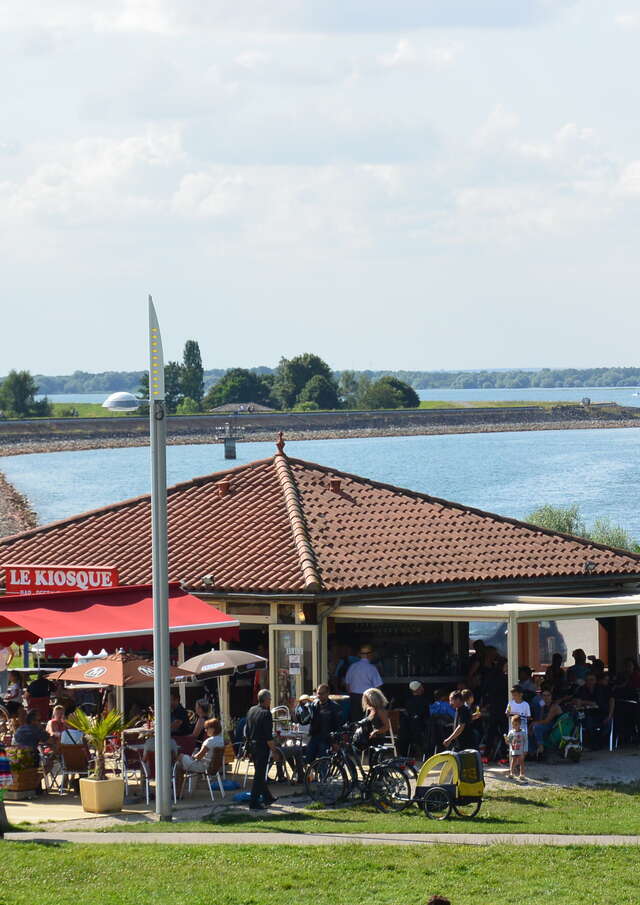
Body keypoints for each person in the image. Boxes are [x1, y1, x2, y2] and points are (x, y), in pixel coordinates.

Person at [246, 688, 281, 811]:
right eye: (270, 699)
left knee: (259, 773)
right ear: (265, 700)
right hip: (261, 747)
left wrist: (247, 748)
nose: (270, 701)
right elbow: (268, 736)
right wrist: (275, 751)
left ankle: (267, 797)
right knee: (259, 775)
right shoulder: (266, 713)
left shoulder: (251, 710)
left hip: (252, 745)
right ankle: (253, 802)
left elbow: (248, 730)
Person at [305, 684, 342, 762]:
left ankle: (322, 773)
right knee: (307, 760)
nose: (319, 695)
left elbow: (338, 726)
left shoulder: (334, 707)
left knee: (323, 763)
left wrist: (335, 742)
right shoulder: (313, 705)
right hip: (314, 737)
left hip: (327, 739)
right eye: (318, 693)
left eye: (322, 693)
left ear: (327, 693)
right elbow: (305, 719)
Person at [345, 646, 382, 720]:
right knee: (368, 721)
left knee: (356, 721)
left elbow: (347, 685)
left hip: (354, 697)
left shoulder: (352, 667)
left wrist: (352, 696)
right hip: (368, 698)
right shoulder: (372, 668)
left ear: (360, 655)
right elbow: (378, 687)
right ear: (370, 655)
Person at [531, 688, 562, 756]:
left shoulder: (554, 706)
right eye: (544, 695)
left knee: (536, 727)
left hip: (555, 725)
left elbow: (546, 721)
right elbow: (541, 718)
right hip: (546, 724)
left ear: (551, 697)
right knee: (531, 729)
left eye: (548, 695)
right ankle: (532, 752)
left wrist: (534, 723)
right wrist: (533, 724)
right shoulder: (543, 704)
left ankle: (540, 746)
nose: (546, 697)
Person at [506, 685, 531, 753]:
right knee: (513, 748)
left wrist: (521, 717)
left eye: (515, 695)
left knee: (523, 749)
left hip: (522, 730)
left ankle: (520, 762)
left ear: (521, 694)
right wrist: (510, 714)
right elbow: (507, 714)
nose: (514, 697)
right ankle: (515, 762)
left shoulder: (526, 705)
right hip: (512, 730)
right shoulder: (510, 703)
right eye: (513, 695)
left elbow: (528, 717)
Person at [504, 714, 526, 780]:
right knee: (513, 761)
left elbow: (526, 741)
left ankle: (522, 774)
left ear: (519, 724)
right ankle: (511, 773)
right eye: (512, 724)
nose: (514, 726)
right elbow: (508, 742)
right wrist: (506, 740)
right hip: (514, 750)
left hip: (521, 750)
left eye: (515, 724)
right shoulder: (511, 732)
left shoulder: (523, 732)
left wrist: (525, 750)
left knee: (521, 762)